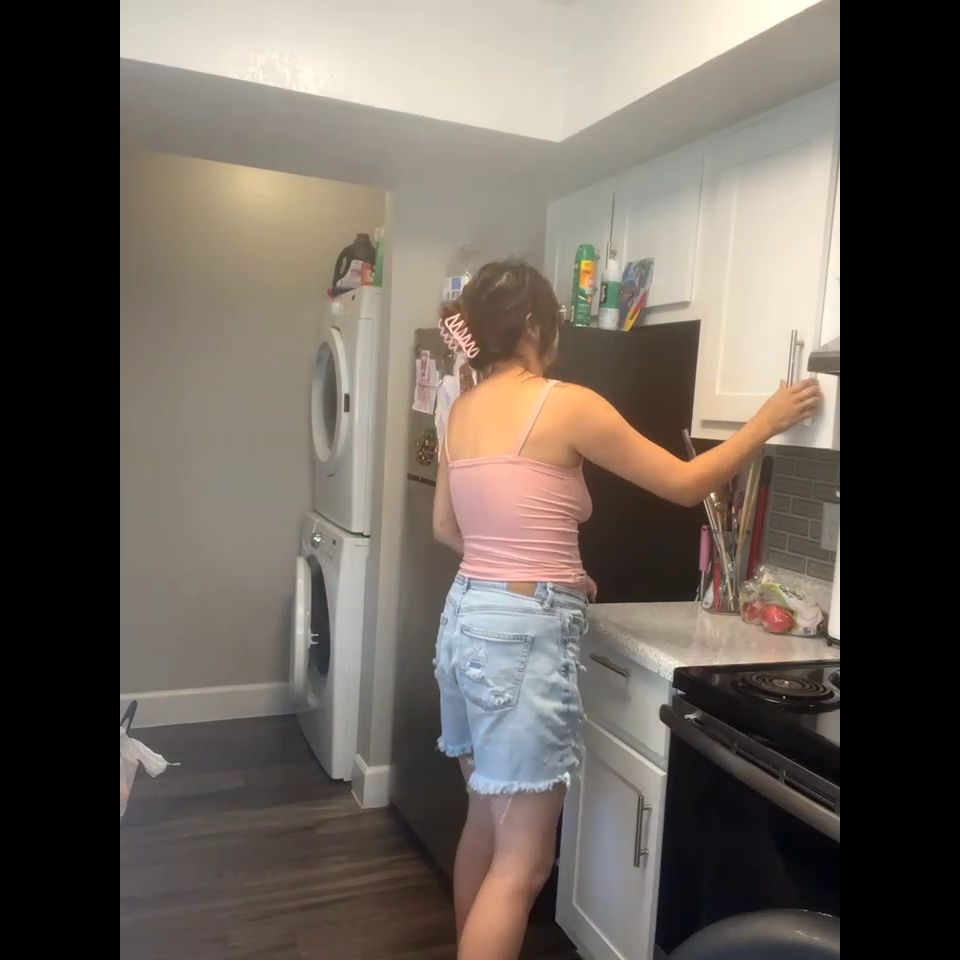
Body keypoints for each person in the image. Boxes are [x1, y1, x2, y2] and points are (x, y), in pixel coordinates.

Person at [431, 260, 821, 960]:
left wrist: (549, 572)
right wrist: (764, 421)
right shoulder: (564, 403)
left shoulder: (461, 409)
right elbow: (685, 483)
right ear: (534, 326)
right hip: (519, 637)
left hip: (464, 619)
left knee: (486, 827)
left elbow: (447, 530)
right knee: (523, 865)